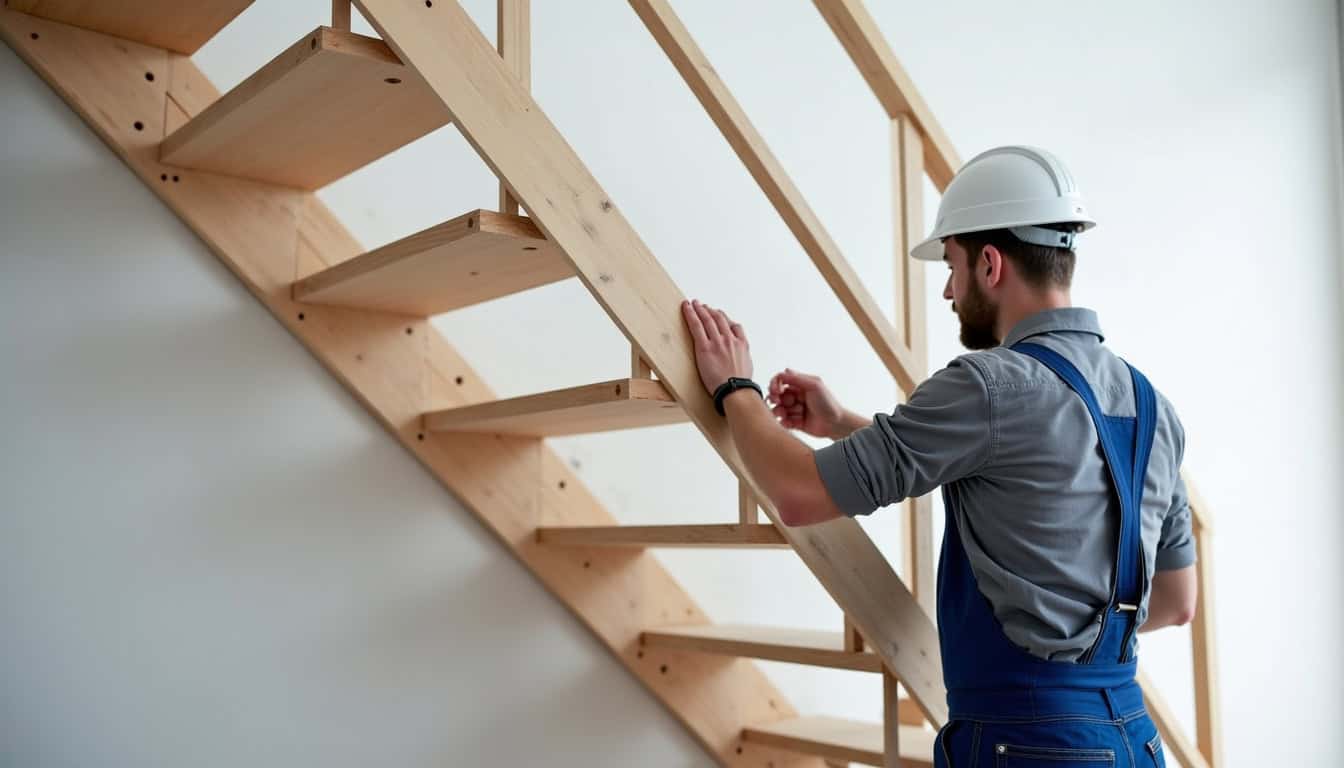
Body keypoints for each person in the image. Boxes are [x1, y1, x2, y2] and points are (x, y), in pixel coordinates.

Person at [681, 145, 1197, 767]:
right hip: (1132, 741)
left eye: (950, 264)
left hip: (1030, 747)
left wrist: (735, 389)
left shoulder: (992, 384)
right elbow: (1175, 602)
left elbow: (797, 493)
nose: (949, 290)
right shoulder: (1153, 408)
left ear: (989, 263)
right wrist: (843, 424)